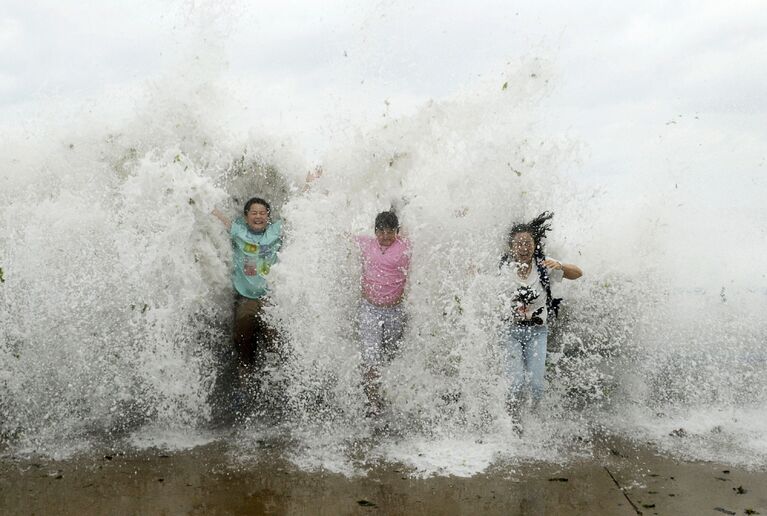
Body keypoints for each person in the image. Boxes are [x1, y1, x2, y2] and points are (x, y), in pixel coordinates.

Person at [498, 211, 582, 414]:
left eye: (528, 242)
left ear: (535, 244)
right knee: (516, 384)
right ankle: (510, 421)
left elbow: (578, 273)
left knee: (536, 387)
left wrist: (560, 265)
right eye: (519, 243)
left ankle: (532, 418)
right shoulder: (503, 268)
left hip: (537, 332)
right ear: (511, 246)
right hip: (511, 332)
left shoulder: (544, 265)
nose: (524, 247)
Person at [213, 198, 282, 375]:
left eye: (262, 213)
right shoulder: (239, 232)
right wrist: (199, 199)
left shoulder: (275, 231)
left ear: (268, 216)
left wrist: (308, 184)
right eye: (254, 212)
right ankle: (246, 365)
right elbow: (220, 218)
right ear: (246, 217)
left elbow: (296, 213)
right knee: (244, 324)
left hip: (269, 297)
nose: (258, 216)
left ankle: (275, 373)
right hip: (246, 296)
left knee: (274, 335)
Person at [355, 211, 411, 416]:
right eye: (381, 231)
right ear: (375, 231)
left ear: (397, 231)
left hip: (395, 310)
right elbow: (339, 236)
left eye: (390, 231)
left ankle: (387, 395)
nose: (385, 236)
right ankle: (372, 403)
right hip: (369, 309)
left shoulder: (405, 246)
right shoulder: (366, 244)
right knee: (371, 357)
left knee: (389, 354)